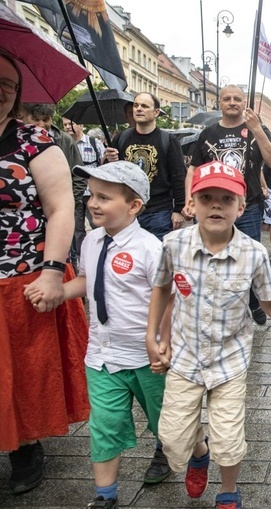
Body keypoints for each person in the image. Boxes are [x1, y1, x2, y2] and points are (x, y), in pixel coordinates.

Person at [145, 161, 271, 509]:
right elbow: (162, 289)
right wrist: (153, 337)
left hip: (230, 361)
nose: (217, 205)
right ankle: (198, 451)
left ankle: (228, 489)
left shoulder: (254, 253)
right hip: (184, 358)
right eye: (207, 198)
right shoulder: (173, 245)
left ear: (241, 207)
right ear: (192, 204)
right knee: (172, 436)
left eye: (227, 198)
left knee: (229, 437)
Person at [25, 161, 173, 508]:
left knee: (168, 424)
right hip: (103, 357)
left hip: (145, 357)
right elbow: (90, 281)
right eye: (91, 195)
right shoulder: (91, 240)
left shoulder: (151, 248)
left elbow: (169, 298)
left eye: (104, 197)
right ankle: (105, 496)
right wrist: (60, 292)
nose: (92, 203)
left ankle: (192, 450)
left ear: (134, 205)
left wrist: (164, 342)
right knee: (103, 427)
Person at [0, 52, 89, 495]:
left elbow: (61, 209)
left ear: (17, 96)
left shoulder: (34, 142)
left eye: (8, 84)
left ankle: (26, 446)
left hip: (24, 274)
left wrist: (53, 272)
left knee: (27, 368)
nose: (0, 89)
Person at [184, 84, 271, 325]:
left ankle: (253, 300)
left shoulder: (256, 129)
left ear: (244, 101)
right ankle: (218, 303)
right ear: (220, 103)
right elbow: (194, 169)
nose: (233, 102)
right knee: (213, 255)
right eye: (227, 99)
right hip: (214, 205)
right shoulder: (208, 134)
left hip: (248, 205)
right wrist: (189, 198)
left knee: (246, 256)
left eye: (237, 98)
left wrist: (257, 128)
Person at [105, 92, 186, 240]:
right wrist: (109, 160)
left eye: (144, 106)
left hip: (158, 211)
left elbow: (179, 176)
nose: (138, 109)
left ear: (156, 112)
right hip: (127, 209)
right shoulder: (121, 138)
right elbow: (110, 173)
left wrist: (178, 209)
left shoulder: (168, 140)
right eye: (136, 105)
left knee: (156, 259)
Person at [21, 104, 86, 268]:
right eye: (36, 120)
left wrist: (72, 202)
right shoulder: (17, 141)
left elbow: (78, 174)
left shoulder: (63, 139)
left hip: (63, 209)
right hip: (31, 217)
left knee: (66, 251)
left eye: (46, 119)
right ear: (25, 117)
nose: (42, 124)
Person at [63, 116, 106, 266]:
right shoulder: (64, 144)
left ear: (80, 125)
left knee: (97, 225)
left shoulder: (94, 143)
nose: (68, 127)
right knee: (77, 229)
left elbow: (104, 165)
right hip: (73, 193)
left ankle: (100, 255)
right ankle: (82, 261)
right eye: (65, 124)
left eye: (71, 124)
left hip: (92, 193)